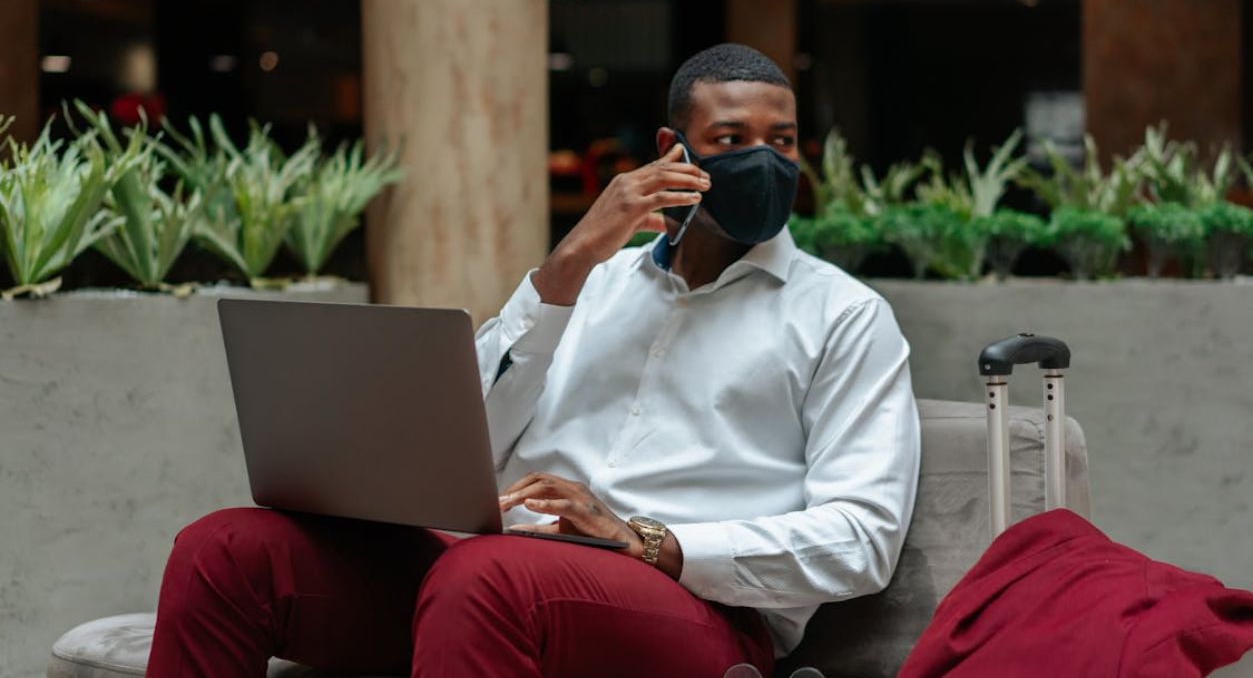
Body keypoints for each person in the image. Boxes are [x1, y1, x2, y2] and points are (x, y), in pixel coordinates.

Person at [147, 43, 921, 678]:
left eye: (779, 141)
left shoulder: (844, 315)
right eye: (729, 140)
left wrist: (642, 536)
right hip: (488, 580)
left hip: (696, 611)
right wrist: (567, 263)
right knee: (225, 548)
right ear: (669, 151)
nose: (765, 160)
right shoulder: (588, 284)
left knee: (482, 576)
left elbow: (862, 536)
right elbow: (465, 447)